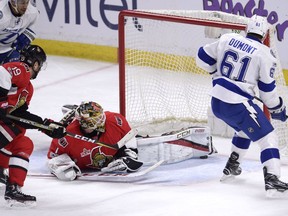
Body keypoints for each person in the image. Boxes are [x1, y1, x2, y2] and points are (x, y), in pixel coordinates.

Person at [196, 14, 288, 198]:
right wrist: (277, 108)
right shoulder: (264, 53)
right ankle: (272, 178)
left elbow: (201, 57)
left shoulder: (228, 38)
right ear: (263, 34)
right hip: (236, 103)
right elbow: (267, 93)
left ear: (247, 29)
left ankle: (232, 166)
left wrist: (216, 75)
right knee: (268, 137)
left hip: (217, 103)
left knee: (245, 128)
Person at [0, 44, 67, 207]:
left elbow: (19, 115)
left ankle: (13, 187)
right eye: (39, 65)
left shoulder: (27, 88)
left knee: (22, 141)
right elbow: (1, 71)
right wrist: (2, 103)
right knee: (13, 130)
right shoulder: (21, 69)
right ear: (35, 64)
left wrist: (45, 126)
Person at [47, 101, 143, 181]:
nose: (101, 121)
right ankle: (71, 113)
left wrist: (127, 154)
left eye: (100, 117)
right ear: (83, 123)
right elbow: (52, 158)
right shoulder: (66, 136)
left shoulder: (115, 120)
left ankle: (74, 111)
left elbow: (129, 135)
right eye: (95, 120)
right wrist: (64, 166)